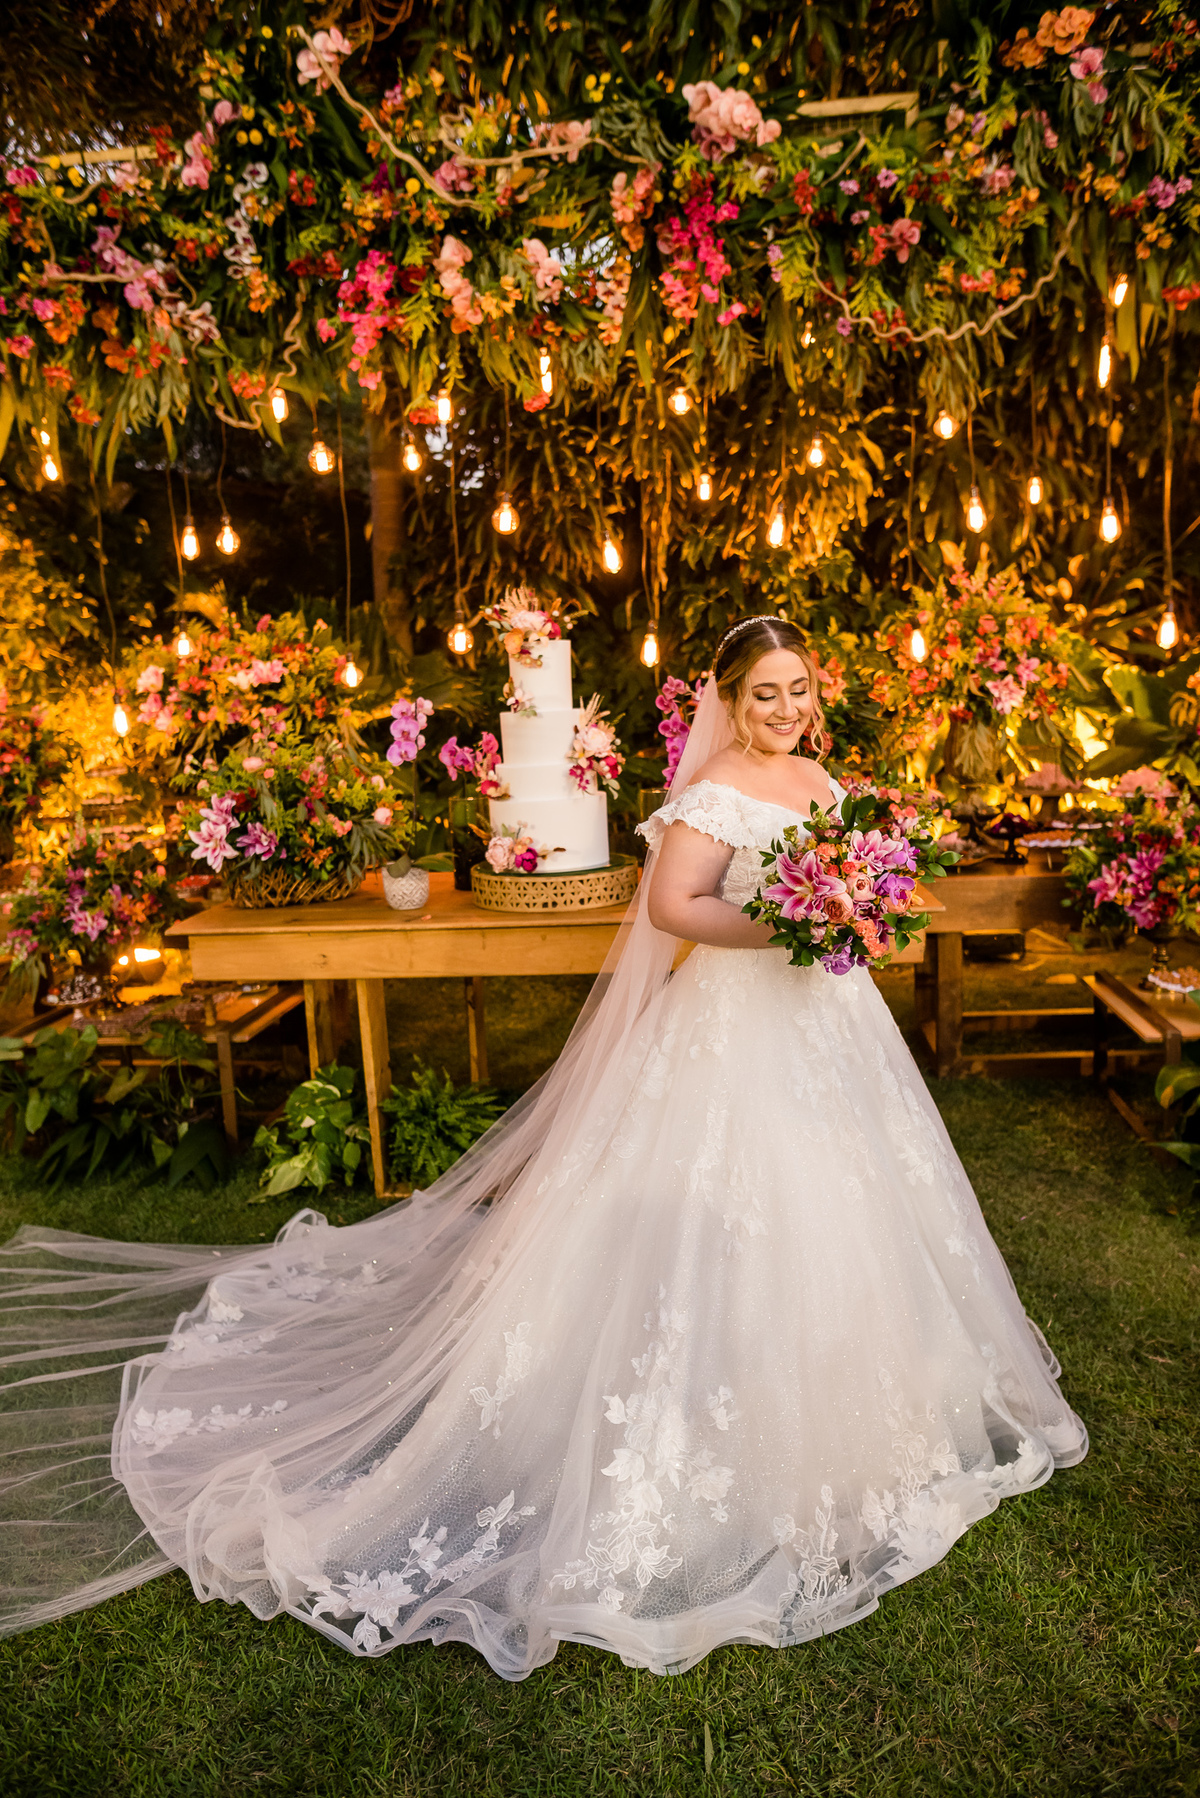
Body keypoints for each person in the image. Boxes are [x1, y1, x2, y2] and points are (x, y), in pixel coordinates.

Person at [0, 615, 1086, 1679]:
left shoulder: (829, 786)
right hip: (735, 1027)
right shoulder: (713, 796)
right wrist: (794, 922)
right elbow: (674, 903)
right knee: (724, 1213)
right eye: (766, 695)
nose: (788, 710)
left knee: (850, 1205)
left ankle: (873, 1411)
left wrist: (856, 914)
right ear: (729, 700)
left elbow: (862, 882)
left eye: (800, 691)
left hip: (826, 1028)